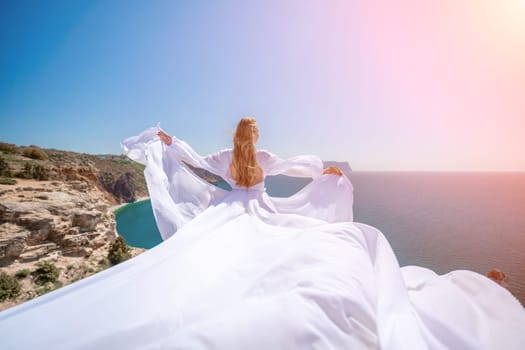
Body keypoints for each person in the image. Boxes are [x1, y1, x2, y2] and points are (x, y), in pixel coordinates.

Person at [1, 118, 524, 349]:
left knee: (213, 261)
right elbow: (296, 165)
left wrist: (167, 140)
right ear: (257, 137)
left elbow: (190, 161)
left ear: (235, 137)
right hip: (263, 208)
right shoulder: (265, 157)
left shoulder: (226, 157)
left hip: (229, 209)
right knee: (285, 251)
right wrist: (327, 173)